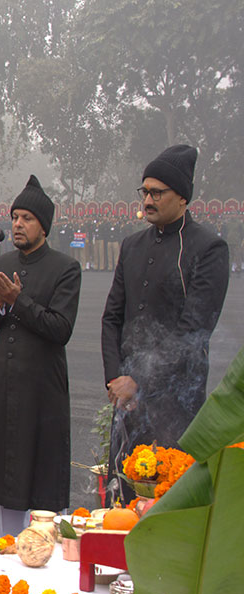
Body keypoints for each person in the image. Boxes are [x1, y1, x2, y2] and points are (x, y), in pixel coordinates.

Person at [102, 144, 231, 458]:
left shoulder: (208, 248)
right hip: (127, 399)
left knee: (164, 495)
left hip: (175, 403)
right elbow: (112, 318)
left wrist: (139, 380)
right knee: (124, 495)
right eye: (144, 192)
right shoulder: (132, 245)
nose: (147, 200)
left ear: (183, 197)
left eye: (157, 193)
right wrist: (114, 380)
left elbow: (193, 332)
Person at [0, 175, 81, 532]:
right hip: (5, 390)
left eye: (27, 219)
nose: (18, 225)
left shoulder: (65, 269)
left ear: (44, 226)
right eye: (15, 217)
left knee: (40, 488)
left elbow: (59, 328)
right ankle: (5, 548)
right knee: (7, 487)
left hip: (43, 394)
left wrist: (16, 300)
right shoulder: (2, 264)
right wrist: (0, 305)